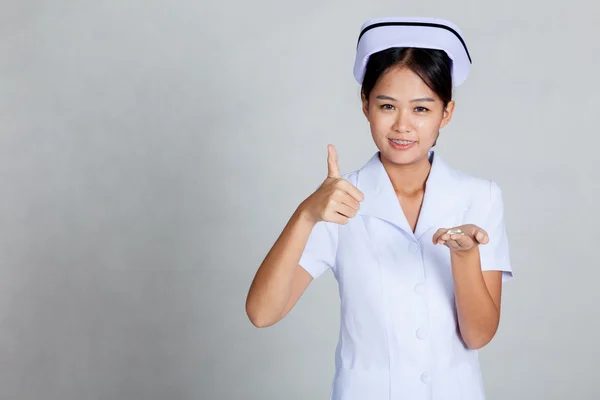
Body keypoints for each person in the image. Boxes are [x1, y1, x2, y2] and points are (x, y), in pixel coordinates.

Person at [246, 16, 513, 400]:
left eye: (421, 109)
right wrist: (306, 214)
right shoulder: (338, 201)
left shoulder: (480, 197)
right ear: (365, 105)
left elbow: (479, 334)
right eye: (387, 105)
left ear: (446, 113)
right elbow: (262, 313)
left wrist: (466, 258)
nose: (403, 125)